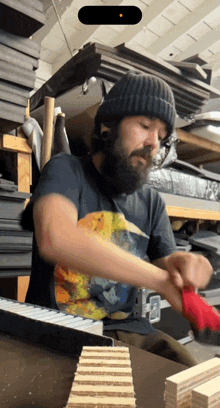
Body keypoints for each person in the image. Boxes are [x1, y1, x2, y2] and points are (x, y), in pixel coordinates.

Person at [21, 71, 213, 367]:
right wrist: (160, 280)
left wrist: (184, 267)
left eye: (161, 137)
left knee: (194, 381)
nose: (153, 143)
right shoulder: (66, 170)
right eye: (145, 126)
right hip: (62, 329)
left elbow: (169, 267)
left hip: (131, 331)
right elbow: (55, 237)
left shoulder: (151, 202)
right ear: (108, 126)